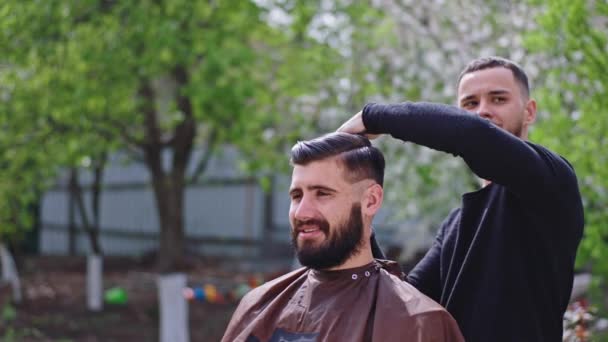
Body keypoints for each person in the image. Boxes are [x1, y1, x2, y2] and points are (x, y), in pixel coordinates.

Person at [337, 56, 585, 341]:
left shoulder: (552, 181)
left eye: (498, 99)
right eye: (470, 104)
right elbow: (400, 302)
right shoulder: (457, 224)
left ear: (529, 112)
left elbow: (473, 134)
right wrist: (358, 215)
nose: (482, 112)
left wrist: (371, 117)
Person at [222, 132, 464, 342]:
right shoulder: (258, 306)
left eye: (323, 194)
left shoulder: (418, 322)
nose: (302, 212)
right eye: (296, 195)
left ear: (370, 200)